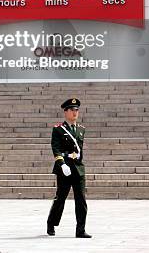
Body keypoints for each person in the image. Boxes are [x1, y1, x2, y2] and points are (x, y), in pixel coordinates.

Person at [47, 97, 91, 238]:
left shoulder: (81, 130)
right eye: (72, 110)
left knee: (81, 200)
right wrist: (62, 163)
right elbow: (56, 148)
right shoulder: (58, 130)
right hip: (65, 169)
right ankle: (51, 223)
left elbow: (80, 151)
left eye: (77, 110)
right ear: (65, 112)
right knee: (60, 199)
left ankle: (80, 230)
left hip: (78, 169)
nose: (75, 112)